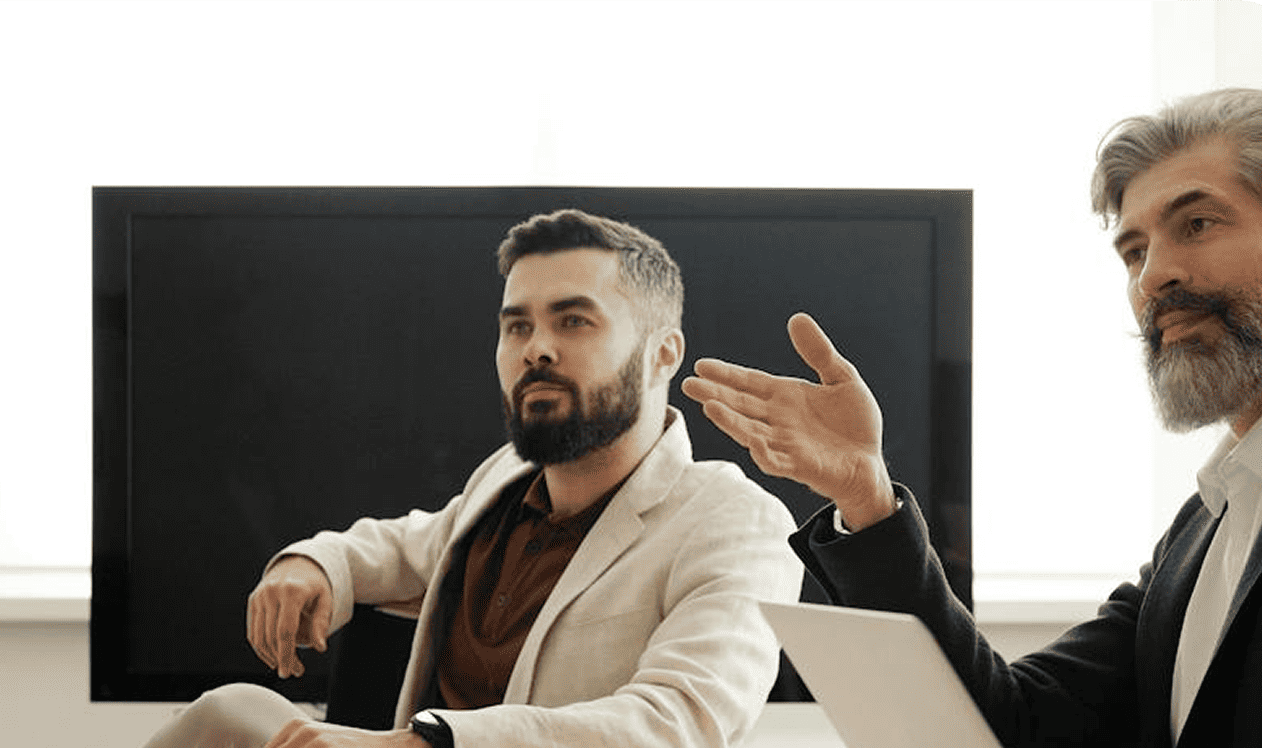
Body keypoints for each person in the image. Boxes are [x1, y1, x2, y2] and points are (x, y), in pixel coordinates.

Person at [682, 88, 1262, 747]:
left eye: (1197, 225)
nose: (1155, 276)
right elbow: (1008, 726)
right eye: (1134, 249)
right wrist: (868, 500)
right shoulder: (1207, 526)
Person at [143, 209, 803, 748]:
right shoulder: (506, 479)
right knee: (230, 711)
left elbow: (678, 724)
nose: (536, 348)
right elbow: (406, 547)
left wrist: (428, 742)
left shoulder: (737, 522)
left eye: (573, 320)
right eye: (517, 325)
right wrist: (316, 565)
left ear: (663, 353)